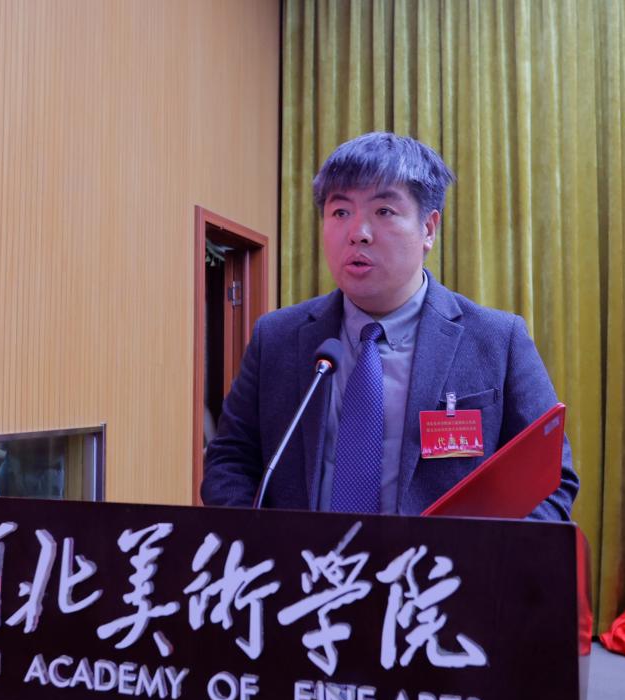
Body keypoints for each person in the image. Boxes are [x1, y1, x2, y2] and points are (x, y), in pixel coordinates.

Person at [202, 132, 578, 520]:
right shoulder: (276, 337)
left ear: (428, 229)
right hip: (303, 559)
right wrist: (261, 543)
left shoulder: (498, 341)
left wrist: (479, 552)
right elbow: (230, 461)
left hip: (442, 560)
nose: (358, 233)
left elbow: (550, 482)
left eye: (383, 211)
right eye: (340, 212)